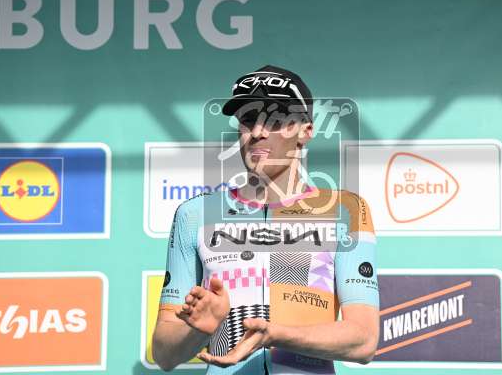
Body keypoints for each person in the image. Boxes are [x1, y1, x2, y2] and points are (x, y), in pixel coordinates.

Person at [152, 65, 379, 374]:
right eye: (248, 119)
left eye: (275, 120)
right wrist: (199, 329)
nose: (258, 132)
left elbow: (364, 340)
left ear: (305, 131)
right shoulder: (195, 214)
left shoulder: (346, 210)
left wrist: (274, 334)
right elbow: (164, 355)